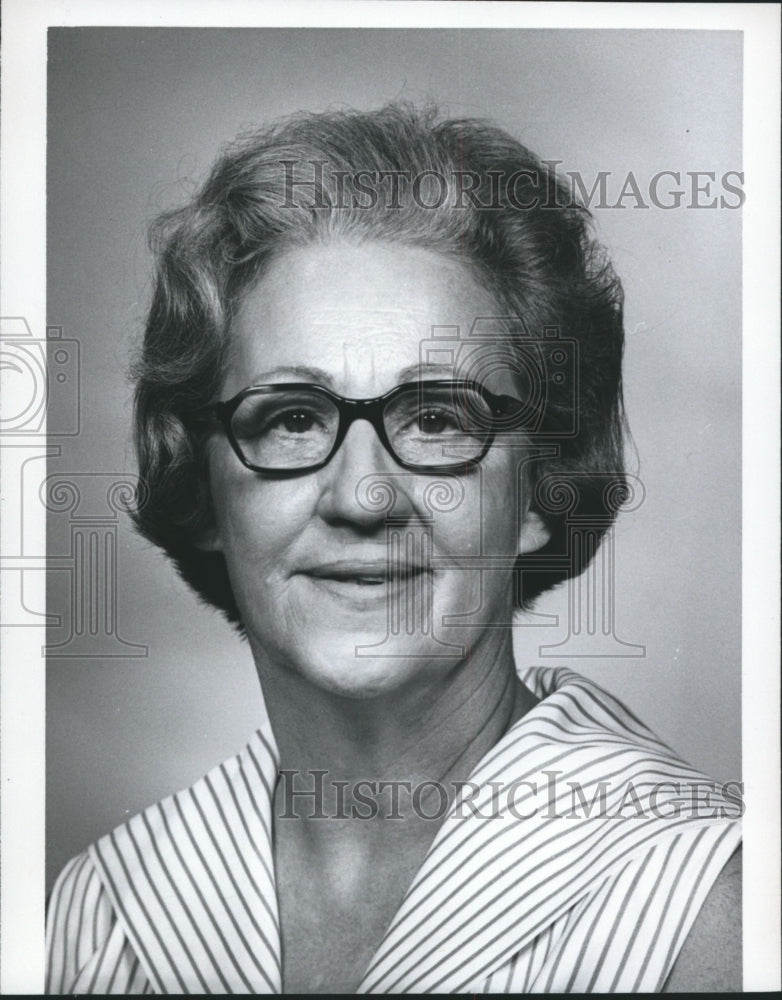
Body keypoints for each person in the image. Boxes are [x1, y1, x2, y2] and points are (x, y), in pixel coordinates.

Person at [45, 104, 741, 994]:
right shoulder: (102, 913)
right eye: (292, 418)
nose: (364, 495)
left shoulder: (711, 906)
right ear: (206, 490)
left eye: (438, 418)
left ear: (539, 491)